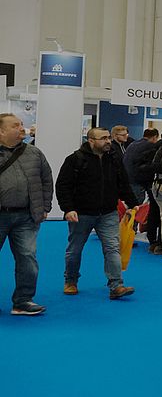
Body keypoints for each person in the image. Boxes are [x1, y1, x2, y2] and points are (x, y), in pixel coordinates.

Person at [56, 127, 139, 299]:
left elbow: (123, 183)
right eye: (103, 138)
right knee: (75, 249)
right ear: (91, 141)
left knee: (112, 249)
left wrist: (133, 204)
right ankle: (70, 281)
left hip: (108, 213)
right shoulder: (75, 160)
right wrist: (68, 209)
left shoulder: (114, 159)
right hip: (81, 214)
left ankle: (116, 285)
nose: (108, 141)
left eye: (109, 138)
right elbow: (63, 186)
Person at [0, 113, 53, 315]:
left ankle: (23, 300)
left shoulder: (34, 153)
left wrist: (45, 207)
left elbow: (46, 180)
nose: (21, 128)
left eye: (21, 124)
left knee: (27, 258)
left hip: (26, 217)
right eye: (15, 125)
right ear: (1, 131)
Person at [123, 128, 162, 254]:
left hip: (130, 180)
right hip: (140, 181)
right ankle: (129, 236)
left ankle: (128, 235)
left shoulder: (133, 144)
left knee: (133, 209)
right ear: (154, 137)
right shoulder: (149, 146)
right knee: (135, 209)